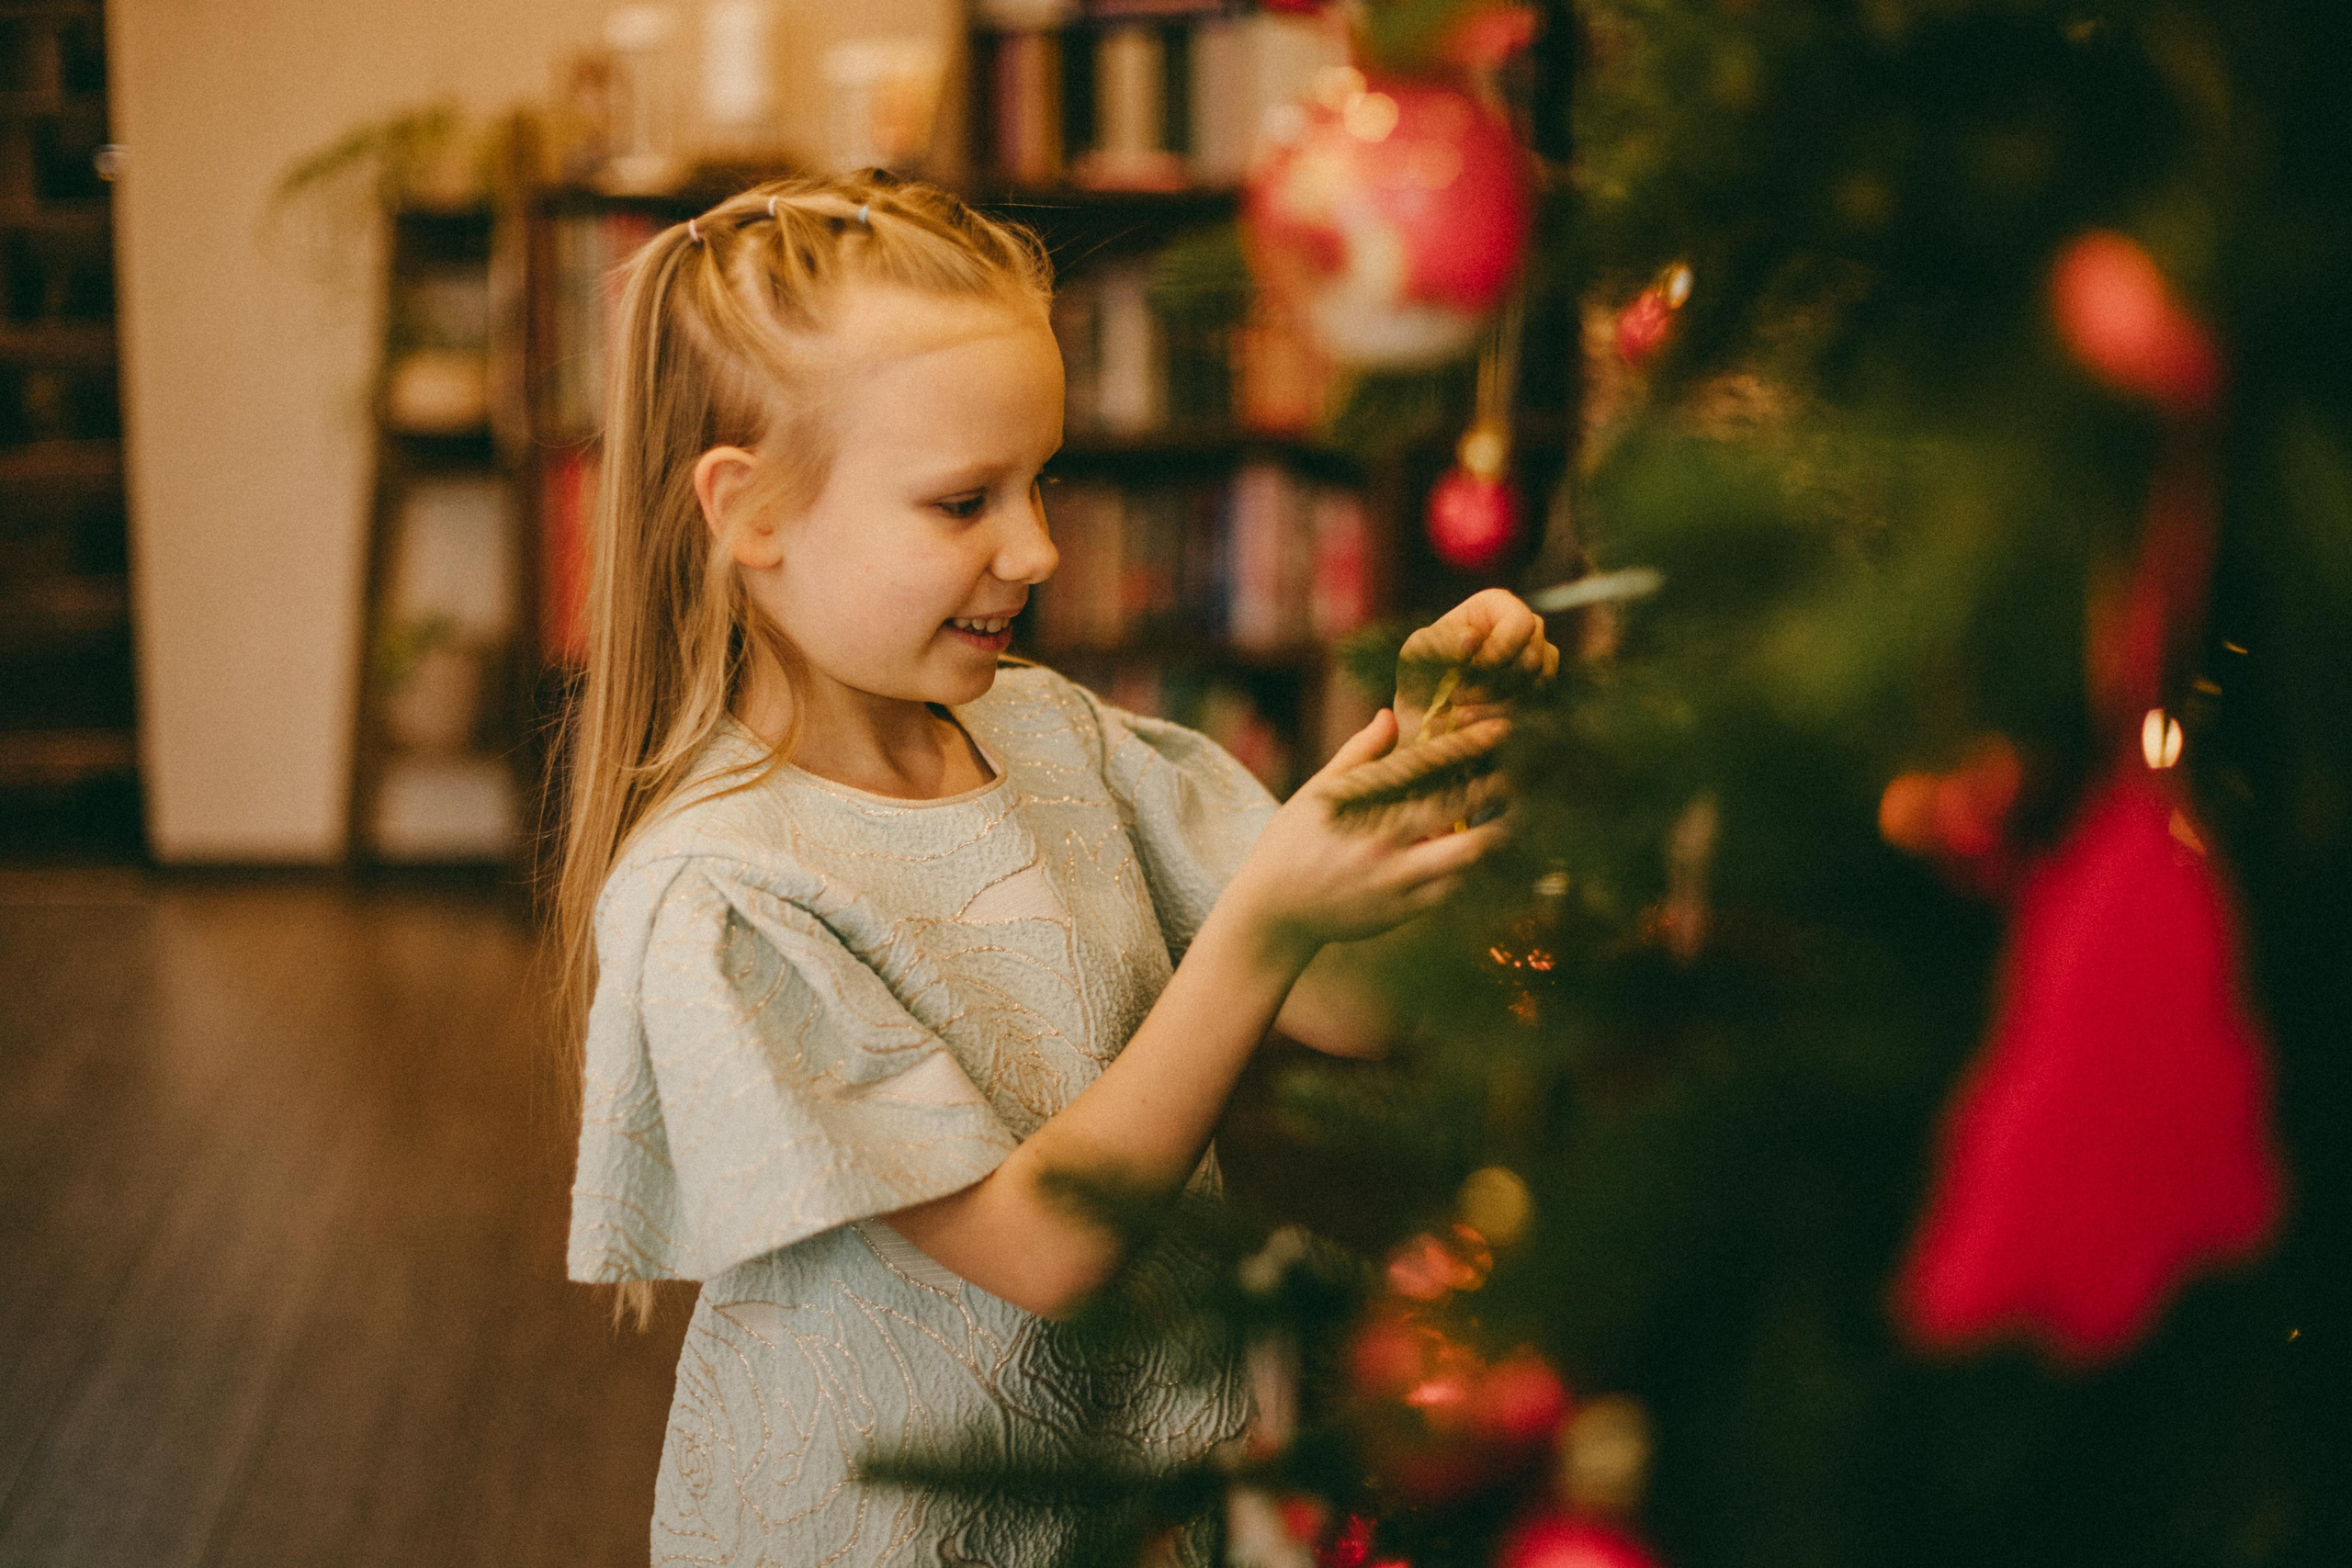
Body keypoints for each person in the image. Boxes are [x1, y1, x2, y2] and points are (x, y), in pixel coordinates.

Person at [554, 171, 1558, 1566]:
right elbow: (1040, 1254)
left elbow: (1353, 1007)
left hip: (1132, 1507)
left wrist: (1425, 769)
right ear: (752, 514)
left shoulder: (1054, 733)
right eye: (965, 501)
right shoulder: (723, 890)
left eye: (1041, 482)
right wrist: (1267, 927)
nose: (1036, 548)